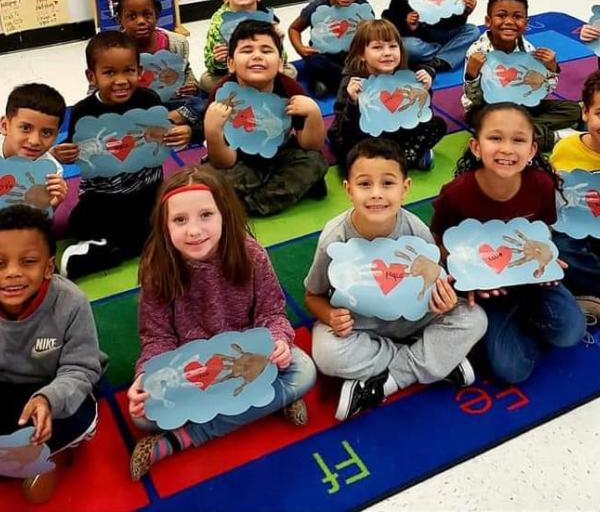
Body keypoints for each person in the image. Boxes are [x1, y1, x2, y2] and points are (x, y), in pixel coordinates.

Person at [127, 166, 316, 480]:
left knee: (304, 371)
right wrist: (147, 377)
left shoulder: (251, 255)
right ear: (164, 225)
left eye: (205, 215)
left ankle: (184, 438)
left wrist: (278, 342)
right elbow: (157, 339)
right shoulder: (157, 270)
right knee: (144, 416)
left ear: (224, 214)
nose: (194, 230)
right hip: (195, 374)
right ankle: (270, 402)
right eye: (179, 220)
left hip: (248, 363)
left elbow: (272, 314)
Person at [304, 138, 487, 421]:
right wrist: (330, 315)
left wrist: (445, 300)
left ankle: (386, 381)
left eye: (387, 183)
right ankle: (434, 361)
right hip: (361, 328)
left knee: (475, 318)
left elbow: (435, 285)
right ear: (348, 189)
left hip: (412, 319)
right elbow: (312, 296)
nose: (376, 194)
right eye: (365, 184)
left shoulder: (415, 229)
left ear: (406, 188)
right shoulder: (335, 237)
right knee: (327, 354)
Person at [431, 103, 585, 384]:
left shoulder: (540, 184)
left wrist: (546, 256)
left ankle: (523, 319)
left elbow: (545, 230)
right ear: (476, 147)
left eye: (518, 140)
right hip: (487, 290)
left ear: (532, 150)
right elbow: (441, 244)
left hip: (533, 282)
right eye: (495, 138)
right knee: (512, 371)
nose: (506, 149)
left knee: (571, 332)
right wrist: (468, 279)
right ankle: (496, 333)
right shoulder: (457, 194)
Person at [53, 31, 192, 279]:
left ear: (139, 71)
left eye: (128, 71)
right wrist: (64, 153)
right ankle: (121, 244)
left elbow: (165, 135)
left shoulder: (149, 99)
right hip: (102, 196)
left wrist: (183, 134)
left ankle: (109, 250)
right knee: (80, 222)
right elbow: (77, 149)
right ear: (91, 76)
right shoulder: (84, 111)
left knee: (164, 222)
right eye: (109, 73)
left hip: (147, 192)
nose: (121, 80)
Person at [0, 205, 104, 501]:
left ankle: (47, 456)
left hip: (53, 387)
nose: (12, 273)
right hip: (6, 389)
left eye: (28, 261)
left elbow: (81, 368)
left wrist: (48, 399)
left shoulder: (71, 303)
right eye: (0, 263)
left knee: (82, 418)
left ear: (48, 267)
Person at [204, 20, 328, 216]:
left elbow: (310, 145)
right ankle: (271, 193)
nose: (257, 56)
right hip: (238, 160)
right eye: (246, 50)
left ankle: (250, 204)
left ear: (280, 63)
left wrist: (313, 113)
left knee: (315, 162)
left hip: (282, 153)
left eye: (266, 50)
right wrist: (212, 132)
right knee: (212, 181)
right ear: (231, 64)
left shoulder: (290, 89)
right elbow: (224, 162)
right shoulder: (222, 94)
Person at [462, 0, 581, 151]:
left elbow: (541, 93)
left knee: (573, 109)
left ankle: (525, 129)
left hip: (521, 105)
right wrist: (471, 75)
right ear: (488, 21)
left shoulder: (529, 51)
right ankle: (552, 136)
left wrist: (551, 68)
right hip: (485, 108)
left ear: (526, 23)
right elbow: (474, 100)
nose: (509, 22)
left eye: (517, 17)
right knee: (491, 124)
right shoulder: (477, 52)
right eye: (501, 15)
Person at [328, 18, 446, 172]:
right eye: (377, 47)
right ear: (361, 54)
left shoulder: (405, 75)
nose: (387, 53)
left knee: (437, 125)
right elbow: (345, 131)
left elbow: (420, 116)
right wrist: (354, 102)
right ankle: (403, 158)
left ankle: (401, 158)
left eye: (393, 46)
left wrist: (424, 89)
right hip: (362, 135)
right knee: (349, 152)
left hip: (396, 132)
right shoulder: (353, 82)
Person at [113, 0, 205, 133]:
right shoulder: (112, 50)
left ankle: (161, 123)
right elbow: (98, 89)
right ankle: (162, 125)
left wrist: (190, 85)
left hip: (170, 103)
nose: (141, 21)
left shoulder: (177, 43)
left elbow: (185, 70)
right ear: (120, 20)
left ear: (156, 15)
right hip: (133, 105)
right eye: (132, 17)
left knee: (201, 103)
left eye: (147, 15)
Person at [201, 0, 297, 93]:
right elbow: (210, 64)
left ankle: (251, 88)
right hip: (233, 72)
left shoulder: (268, 18)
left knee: (290, 71)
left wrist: (279, 42)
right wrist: (218, 60)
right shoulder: (219, 20)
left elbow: (282, 60)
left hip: (262, 67)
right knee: (206, 80)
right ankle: (253, 88)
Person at [550, 70, 600, 316]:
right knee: (559, 251)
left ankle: (585, 295)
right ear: (585, 113)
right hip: (573, 225)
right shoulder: (565, 147)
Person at [288, 0, 374, 97]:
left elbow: (371, 35)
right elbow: (294, 28)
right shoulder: (317, 7)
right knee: (315, 62)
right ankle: (335, 82)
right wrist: (300, 48)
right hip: (324, 57)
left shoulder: (363, 7)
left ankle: (336, 83)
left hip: (350, 57)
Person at [1, 83, 68, 209]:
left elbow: (37, 222)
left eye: (47, 133)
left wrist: (52, 205)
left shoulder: (51, 171)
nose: (34, 141)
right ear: (5, 126)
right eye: (25, 128)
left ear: (56, 136)